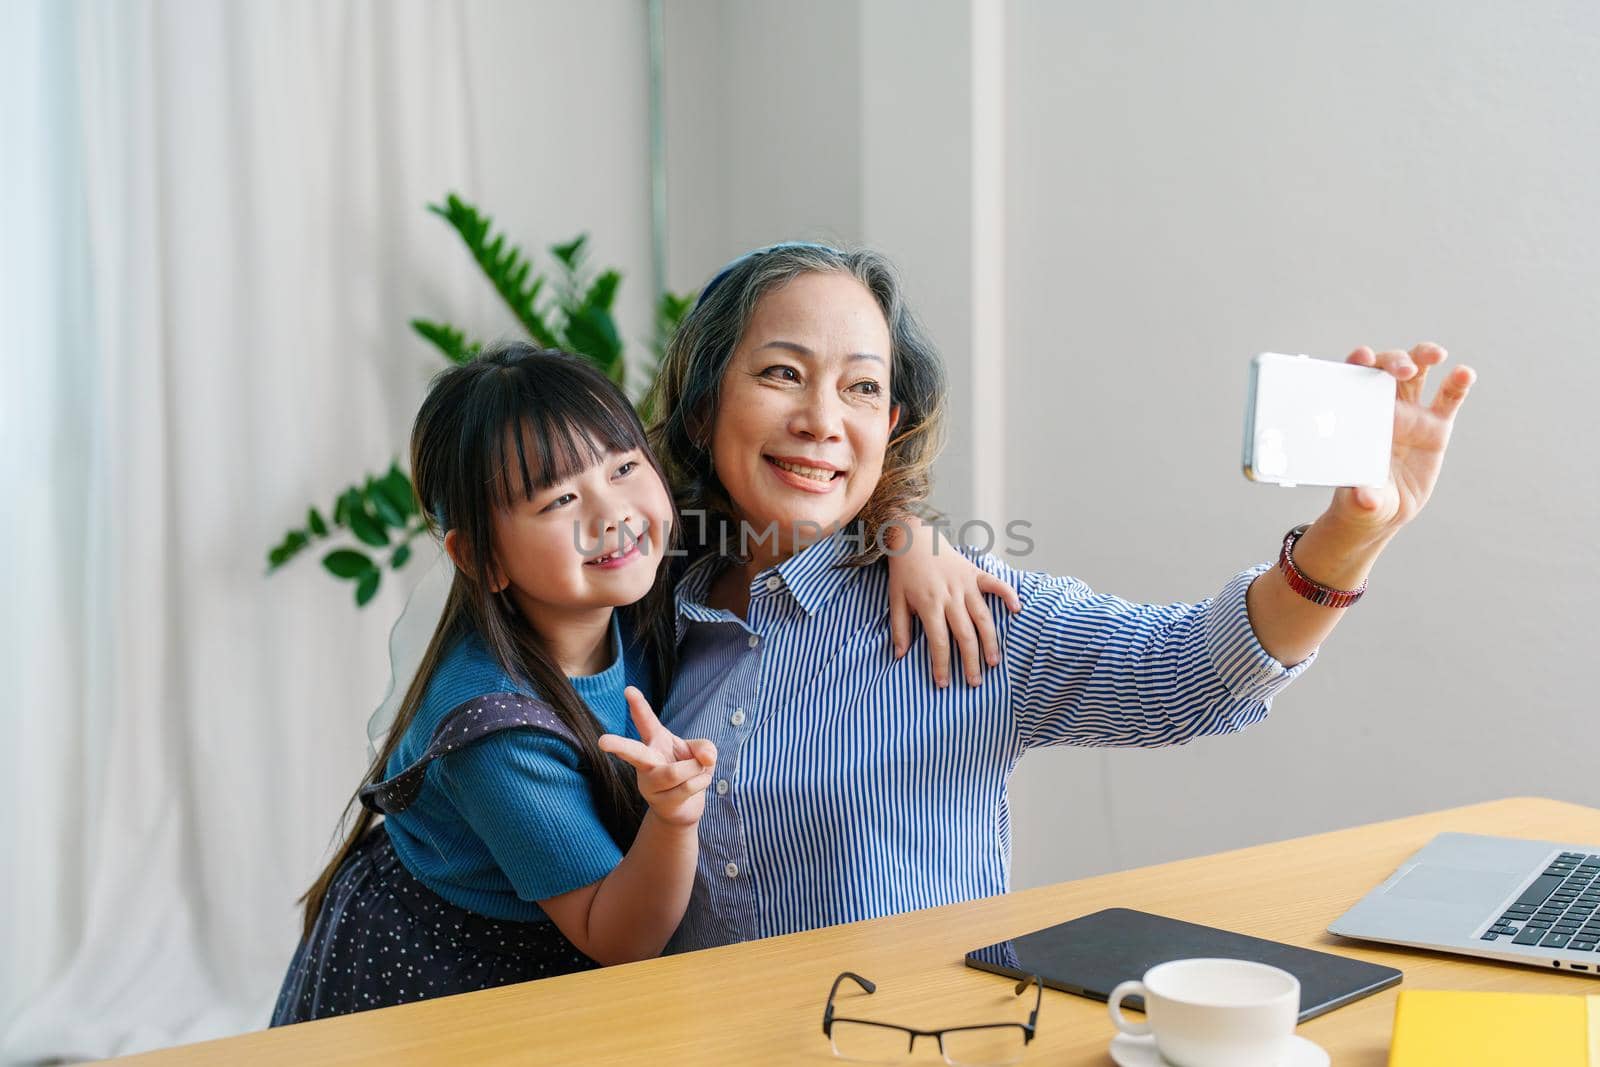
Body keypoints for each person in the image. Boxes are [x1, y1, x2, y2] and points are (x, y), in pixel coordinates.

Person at [644, 242, 1475, 952]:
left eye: (860, 387)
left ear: (890, 422)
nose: (823, 418)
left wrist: (1351, 537)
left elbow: (1195, 671)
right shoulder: (642, 611)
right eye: (783, 373)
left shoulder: (958, 612)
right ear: (706, 398)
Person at [273, 342, 1010, 1024]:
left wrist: (909, 534)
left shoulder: (649, 562)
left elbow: (804, 509)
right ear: (482, 557)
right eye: (557, 500)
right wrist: (674, 816)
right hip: (449, 972)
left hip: (562, 946)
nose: (611, 513)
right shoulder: (495, 731)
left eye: (624, 466)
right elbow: (615, 933)